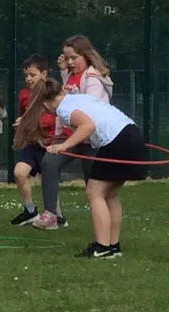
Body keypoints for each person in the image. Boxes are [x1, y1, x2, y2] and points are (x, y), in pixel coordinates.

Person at [26, 78, 147, 259]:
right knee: (110, 194)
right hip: (132, 134)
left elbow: (87, 126)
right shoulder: (77, 98)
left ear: (43, 102)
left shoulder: (64, 109)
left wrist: (63, 146)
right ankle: (113, 246)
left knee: (94, 193)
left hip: (117, 140)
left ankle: (102, 246)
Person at [33, 35, 113, 230]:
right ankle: (51, 215)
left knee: (93, 186)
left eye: (74, 58)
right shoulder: (71, 75)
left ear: (86, 55)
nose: (69, 62)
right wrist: (63, 73)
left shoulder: (93, 79)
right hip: (70, 135)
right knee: (49, 162)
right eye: (67, 58)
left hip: (91, 138)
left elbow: (88, 108)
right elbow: (66, 96)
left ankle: (104, 227)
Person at [10, 55, 66, 226]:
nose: (28, 79)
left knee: (48, 180)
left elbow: (56, 117)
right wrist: (22, 125)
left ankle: (57, 216)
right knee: (19, 172)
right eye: (26, 75)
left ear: (44, 74)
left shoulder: (51, 93)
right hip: (33, 143)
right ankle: (30, 211)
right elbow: (24, 115)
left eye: (32, 75)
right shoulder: (24, 94)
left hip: (49, 144)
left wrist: (31, 122)